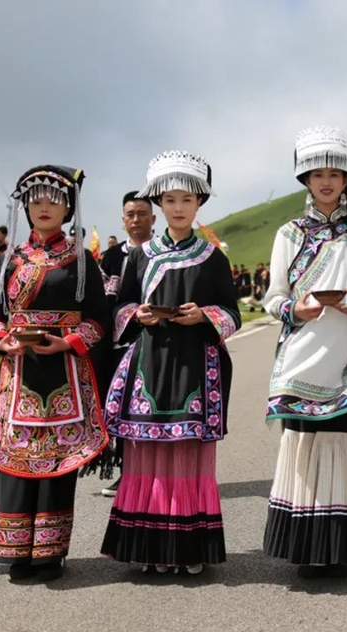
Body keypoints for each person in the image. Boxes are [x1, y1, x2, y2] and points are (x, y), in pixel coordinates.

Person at [0, 165, 108, 581]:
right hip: (17, 371)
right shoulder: (10, 260)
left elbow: (99, 318)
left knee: (57, 461)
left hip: (64, 372)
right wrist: (1, 339)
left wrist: (69, 341)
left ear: (68, 209)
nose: (43, 208)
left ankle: (50, 552)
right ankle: (15, 548)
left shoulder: (81, 260)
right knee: (16, 458)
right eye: (35, 200)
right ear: (25, 207)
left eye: (53, 201)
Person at [101, 151, 239, 575]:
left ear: (199, 204)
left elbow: (231, 313)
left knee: (188, 454)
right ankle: (147, 547)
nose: (179, 208)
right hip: (149, 364)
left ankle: (189, 548)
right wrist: (136, 314)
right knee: (146, 453)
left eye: (187, 200)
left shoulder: (212, 258)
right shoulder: (140, 256)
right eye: (171, 200)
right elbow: (121, 306)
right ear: (159, 204)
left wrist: (205, 315)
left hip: (195, 365)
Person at [263, 127, 347, 578]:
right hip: (301, 356)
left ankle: (340, 549)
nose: (328, 182)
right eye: (319, 174)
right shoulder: (288, 234)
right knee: (304, 448)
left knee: (344, 447)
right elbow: (273, 298)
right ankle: (306, 549)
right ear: (307, 180)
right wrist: (298, 307)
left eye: (336, 174)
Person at [97, 190, 157, 497]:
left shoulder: (162, 253)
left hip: (153, 342)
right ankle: (126, 472)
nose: (136, 220)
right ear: (123, 221)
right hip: (115, 343)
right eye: (130, 215)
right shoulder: (111, 256)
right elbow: (102, 299)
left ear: (153, 218)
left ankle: (148, 474)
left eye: (142, 214)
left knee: (145, 408)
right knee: (119, 409)